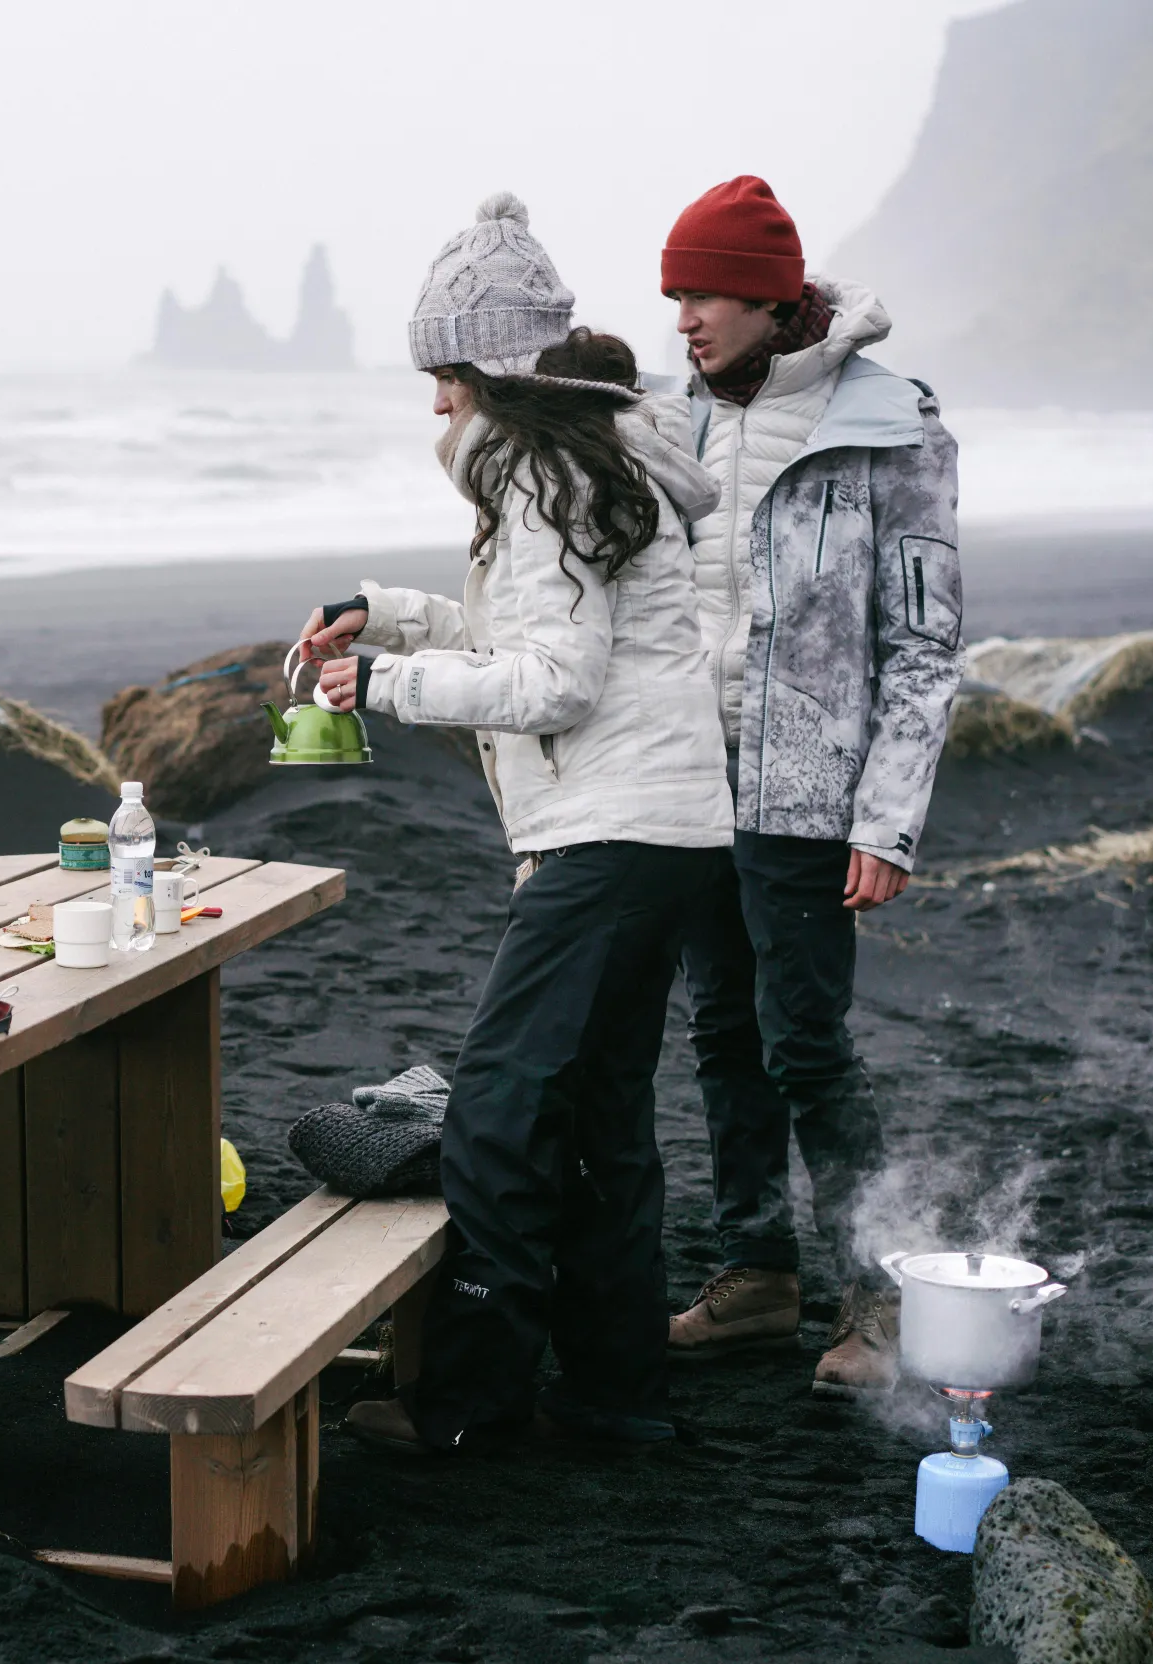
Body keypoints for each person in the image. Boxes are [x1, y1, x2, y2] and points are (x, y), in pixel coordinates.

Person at [307, 194, 732, 1453]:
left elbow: (555, 683)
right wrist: (379, 614)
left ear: (489, 370)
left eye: (443, 375)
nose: (433, 404)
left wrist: (379, 686)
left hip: (610, 835)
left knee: (496, 1107)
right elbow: (525, 637)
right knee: (601, 1110)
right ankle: (613, 1394)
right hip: (660, 833)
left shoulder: (543, 475)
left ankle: (470, 1410)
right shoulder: (574, 465)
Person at [653, 177, 963, 1392]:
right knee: (721, 1033)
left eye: (706, 292)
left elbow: (926, 643)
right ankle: (757, 1277)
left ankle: (874, 1301)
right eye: (674, 292)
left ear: (771, 299)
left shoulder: (893, 424)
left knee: (806, 1049)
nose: (684, 315)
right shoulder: (668, 422)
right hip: (690, 786)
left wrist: (886, 820)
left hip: (808, 795)